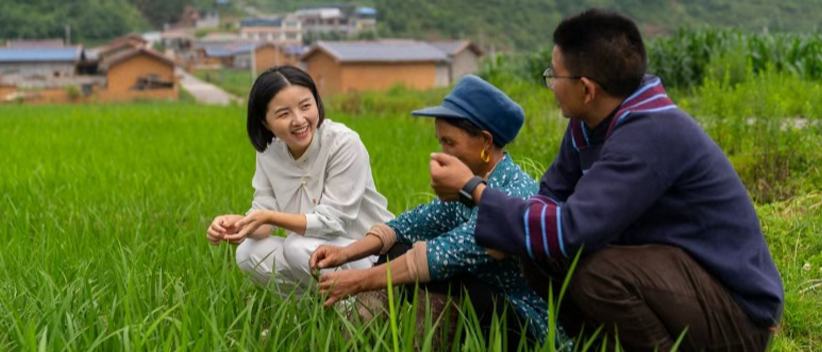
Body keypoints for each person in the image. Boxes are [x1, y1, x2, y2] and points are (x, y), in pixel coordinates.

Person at [428, 9, 783, 351]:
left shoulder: (651, 132)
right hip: (673, 280)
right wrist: (510, 220)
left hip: (737, 314)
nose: (550, 85)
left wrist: (474, 189)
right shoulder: (590, 123)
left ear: (586, 89)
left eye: (554, 75)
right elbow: (551, 195)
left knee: (595, 270)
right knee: (537, 252)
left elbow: (572, 230)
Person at [309, 75, 567, 347]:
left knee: (440, 278)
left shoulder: (514, 192)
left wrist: (359, 280)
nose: (440, 153)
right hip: (482, 300)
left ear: (485, 142)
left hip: (522, 320)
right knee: (397, 249)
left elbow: (442, 256)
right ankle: (355, 340)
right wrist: (345, 252)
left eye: (449, 143)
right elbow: (409, 225)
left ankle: (419, 344)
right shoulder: (467, 186)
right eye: (440, 141)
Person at [206, 65, 393, 292]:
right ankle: (311, 314)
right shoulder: (269, 153)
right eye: (284, 114)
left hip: (369, 255)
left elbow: (333, 222)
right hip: (312, 250)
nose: (299, 120)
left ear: (317, 102)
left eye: (306, 106)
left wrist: (269, 217)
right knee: (248, 252)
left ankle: (361, 311)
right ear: (266, 122)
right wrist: (238, 225)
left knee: (296, 246)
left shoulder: (343, 143)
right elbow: (264, 217)